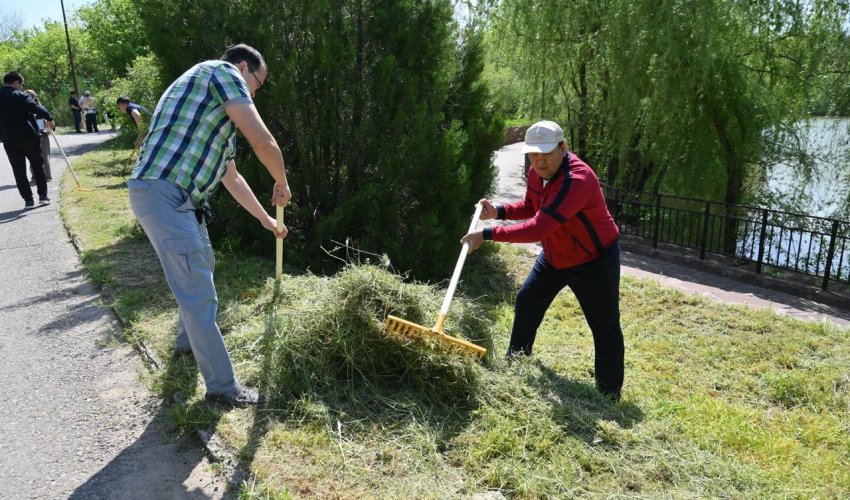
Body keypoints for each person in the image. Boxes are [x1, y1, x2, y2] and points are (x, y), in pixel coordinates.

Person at [128, 43, 291, 408]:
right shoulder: (222, 74)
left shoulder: (207, 104)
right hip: (166, 195)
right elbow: (264, 141)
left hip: (172, 198)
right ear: (244, 67)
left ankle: (187, 345)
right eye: (257, 86)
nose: (253, 94)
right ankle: (222, 389)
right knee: (198, 292)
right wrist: (282, 182)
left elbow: (232, 179)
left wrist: (267, 220)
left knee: (201, 270)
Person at [461, 120, 624, 400]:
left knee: (604, 325)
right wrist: (496, 211)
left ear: (563, 148)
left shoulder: (577, 181)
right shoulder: (539, 172)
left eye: (546, 153)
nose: (539, 160)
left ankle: (608, 395)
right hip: (555, 255)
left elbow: (537, 228)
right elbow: (531, 206)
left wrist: (486, 234)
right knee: (527, 300)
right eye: (533, 154)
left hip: (593, 261)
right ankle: (517, 363)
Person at [0, 72, 55, 209]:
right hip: (28, 137)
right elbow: (36, 107)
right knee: (38, 166)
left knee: (19, 171)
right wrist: (49, 117)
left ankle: (28, 201)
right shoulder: (20, 95)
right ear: (17, 82)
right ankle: (43, 196)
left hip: (9, 140)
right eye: (21, 84)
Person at [25, 89, 53, 182]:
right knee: (33, 156)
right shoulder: (23, 109)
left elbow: (50, 120)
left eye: (28, 95)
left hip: (42, 134)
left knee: (44, 156)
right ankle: (34, 176)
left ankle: (47, 176)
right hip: (30, 135)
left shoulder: (40, 107)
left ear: (34, 97)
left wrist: (49, 129)